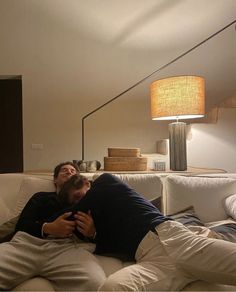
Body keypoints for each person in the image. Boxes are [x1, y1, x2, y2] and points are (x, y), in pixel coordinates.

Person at [56, 173, 236, 291]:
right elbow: (115, 245)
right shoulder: (96, 226)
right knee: (111, 288)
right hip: (151, 259)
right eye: (75, 202)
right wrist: (93, 234)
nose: (80, 206)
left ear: (88, 183)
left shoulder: (106, 182)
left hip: (173, 238)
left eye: (80, 197)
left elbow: (66, 216)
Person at [0, 162, 106, 291]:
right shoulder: (41, 197)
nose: (69, 172)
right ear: (55, 179)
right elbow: (21, 226)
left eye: (73, 171)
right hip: (28, 244)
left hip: (68, 249)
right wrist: (48, 228)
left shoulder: (88, 199)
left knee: (96, 284)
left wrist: (92, 233)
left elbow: (106, 233)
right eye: (64, 170)